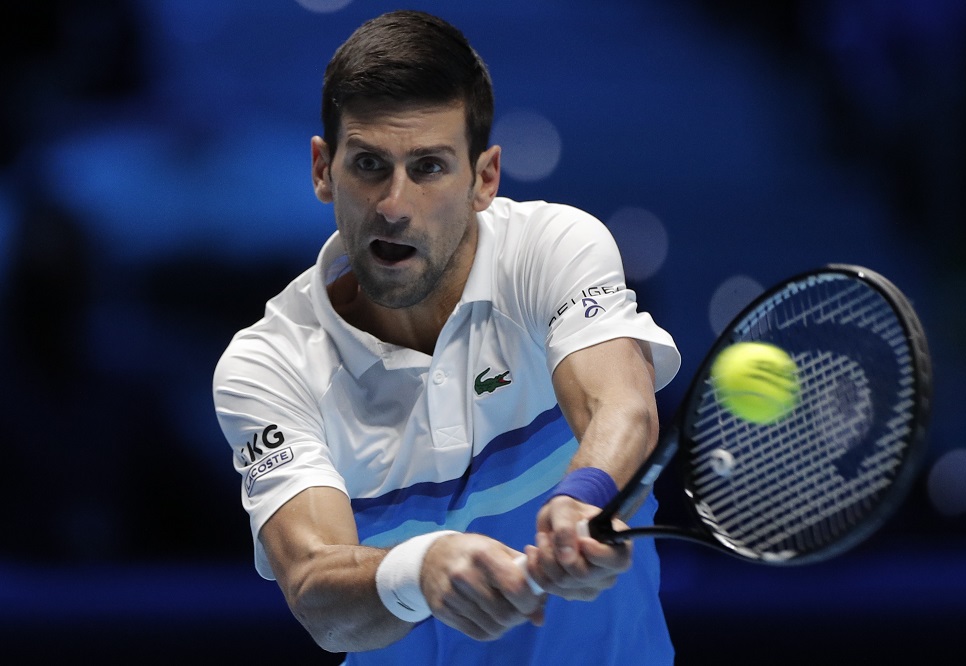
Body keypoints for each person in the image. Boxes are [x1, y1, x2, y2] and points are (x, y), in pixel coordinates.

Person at [212, 10, 681, 665]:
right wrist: (419, 571)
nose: (394, 205)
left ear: (484, 177)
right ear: (323, 170)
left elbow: (620, 404)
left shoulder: (551, 249)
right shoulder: (270, 364)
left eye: (429, 167)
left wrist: (585, 499)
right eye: (369, 164)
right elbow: (318, 595)